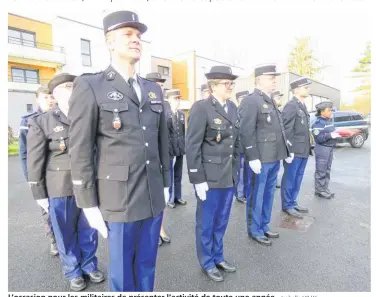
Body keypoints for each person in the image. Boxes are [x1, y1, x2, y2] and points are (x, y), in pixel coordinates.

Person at [68, 11, 170, 292]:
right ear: (110, 42)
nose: (136, 40)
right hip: (118, 199)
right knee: (123, 272)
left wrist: (166, 184)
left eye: (138, 36)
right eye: (128, 34)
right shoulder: (91, 85)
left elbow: (161, 140)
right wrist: (87, 202)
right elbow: (80, 148)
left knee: (147, 265)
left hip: (151, 194)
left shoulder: (152, 89)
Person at [27, 73, 104, 291]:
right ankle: (73, 270)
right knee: (64, 231)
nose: (72, 90)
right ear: (57, 94)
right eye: (68, 87)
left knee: (88, 229)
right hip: (59, 187)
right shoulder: (42, 121)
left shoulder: (88, 116)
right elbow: (35, 160)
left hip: (88, 185)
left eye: (74, 86)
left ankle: (89, 264)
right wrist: (39, 193)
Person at [186, 66, 240, 282]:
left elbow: (235, 143)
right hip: (209, 178)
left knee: (222, 220)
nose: (230, 87)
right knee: (206, 222)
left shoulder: (233, 108)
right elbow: (192, 145)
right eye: (227, 84)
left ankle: (218, 256)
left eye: (231, 84)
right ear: (214, 85)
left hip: (228, 175)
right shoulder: (201, 108)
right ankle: (207, 261)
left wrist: (238, 171)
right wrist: (197, 178)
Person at [239, 64, 291, 246]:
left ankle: (264, 225)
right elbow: (246, 131)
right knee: (257, 194)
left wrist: (286, 149)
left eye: (275, 78)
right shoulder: (251, 100)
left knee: (268, 193)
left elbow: (278, 129)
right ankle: (255, 230)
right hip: (260, 158)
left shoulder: (270, 100)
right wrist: (252, 156)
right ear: (259, 80)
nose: (274, 80)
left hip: (274, 156)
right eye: (271, 78)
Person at [18, 86, 58, 256]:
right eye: (46, 97)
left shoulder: (61, 116)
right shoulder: (28, 121)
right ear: (37, 99)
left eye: (51, 97)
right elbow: (24, 153)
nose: (50, 100)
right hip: (40, 173)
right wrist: (30, 179)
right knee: (46, 208)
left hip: (58, 172)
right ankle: (53, 239)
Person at [280, 78, 313, 218]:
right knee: (290, 177)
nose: (308, 89)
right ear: (296, 89)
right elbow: (286, 129)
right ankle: (287, 205)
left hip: (303, 150)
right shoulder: (291, 105)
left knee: (298, 178)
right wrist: (289, 150)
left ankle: (293, 201)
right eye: (305, 87)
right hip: (294, 150)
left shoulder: (302, 105)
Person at [145, 72, 171, 247]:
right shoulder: (142, 102)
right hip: (147, 157)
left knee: (162, 197)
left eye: (161, 84)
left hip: (162, 154)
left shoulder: (165, 104)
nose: (159, 87)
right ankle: (151, 231)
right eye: (156, 83)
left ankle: (160, 228)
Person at [312, 101, 341, 199]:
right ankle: (319, 190)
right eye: (329, 110)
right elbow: (318, 138)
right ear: (322, 112)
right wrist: (330, 135)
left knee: (327, 170)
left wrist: (336, 135)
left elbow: (331, 133)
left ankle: (325, 188)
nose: (331, 112)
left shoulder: (328, 121)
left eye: (331, 110)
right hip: (322, 148)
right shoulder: (318, 123)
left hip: (329, 148)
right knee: (321, 170)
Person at [165, 89, 187, 209]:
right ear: (168, 100)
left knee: (178, 174)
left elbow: (182, 133)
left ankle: (178, 196)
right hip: (170, 150)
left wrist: (183, 146)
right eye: (175, 98)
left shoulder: (181, 114)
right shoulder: (165, 114)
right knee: (170, 175)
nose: (178, 101)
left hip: (179, 149)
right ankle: (170, 198)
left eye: (179, 98)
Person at [234, 90, 250, 203]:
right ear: (239, 100)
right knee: (240, 171)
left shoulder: (249, 111)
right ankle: (239, 194)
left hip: (248, 147)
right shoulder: (236, 112)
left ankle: (246, 192)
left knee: (248, 172)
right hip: (239, 147)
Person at [271, 90, 283, 189]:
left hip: (277, 148)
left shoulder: (278, 111)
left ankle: (274, 181)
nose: (280, 100)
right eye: (278, 98)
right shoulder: (271, 111)